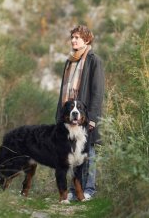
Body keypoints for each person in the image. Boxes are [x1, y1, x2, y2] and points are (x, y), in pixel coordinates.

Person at [55, 25, 105, 201]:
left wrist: (91, 118)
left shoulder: (94, 60)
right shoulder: (70, 61)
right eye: (73, 37)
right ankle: (75, 191)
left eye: (78, 37)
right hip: (70, 116)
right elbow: (64, 92)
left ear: (87, 40)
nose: (74, 40)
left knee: (89, 154)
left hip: (86, 117)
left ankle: (89, 189)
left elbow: (97, 92)